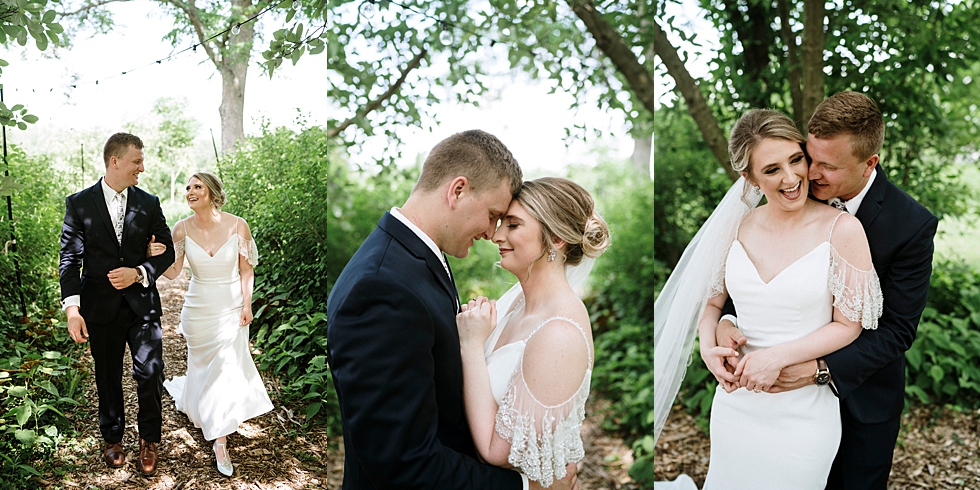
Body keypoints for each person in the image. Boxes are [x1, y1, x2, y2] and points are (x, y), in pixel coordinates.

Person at [326, 130, 577, 489]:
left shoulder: (417, 260)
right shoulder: (381, 288)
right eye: (493, 215)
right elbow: (403, 463)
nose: (493, 233)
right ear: (457, 190)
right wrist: (528, 488)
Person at [715, 92, 938, 489]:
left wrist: (817, 372)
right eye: (808, 156)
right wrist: (727, 320)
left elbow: (897, 329)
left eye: (827, 166)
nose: (808, 173)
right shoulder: (779, 204)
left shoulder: (911, 225)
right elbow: (757, 280)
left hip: (861, 398)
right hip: (760, 396)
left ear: (869, 164)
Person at [653, 109, 884, 489]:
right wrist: (709, 346)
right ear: (749, 178)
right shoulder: (736, 227)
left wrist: (777, 357)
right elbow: (711, 305)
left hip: (804, 412)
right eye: (772, 169)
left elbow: (849, 325)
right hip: (736, 405)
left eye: (796, 160)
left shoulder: (843, 230)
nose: (792, 178)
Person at [455, 177, 609, 487]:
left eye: (513, 225)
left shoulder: (560, 333)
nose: (496, 235)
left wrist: (471, 346)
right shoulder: (517, 303)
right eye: (501, 223)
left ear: (555, 238)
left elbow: (497, 452)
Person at [60, 132, 175, 477]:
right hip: (100, 306)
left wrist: (140, 271)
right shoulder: (79, 204)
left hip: (143, 305)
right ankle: (112, 438)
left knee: (151, 373)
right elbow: (69, 260)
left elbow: (167, 249)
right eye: (137, 161)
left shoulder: (149, 202)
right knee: (107, 375)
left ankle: (149, 440)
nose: (142, 167)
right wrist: (72, 310)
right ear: (115, 161)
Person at [150, 172, 273, 477]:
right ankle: (203, 409)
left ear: (212, 192)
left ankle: (220, 440)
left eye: (197, 186)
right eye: (188, 187)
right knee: (203, 368)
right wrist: (150, 256)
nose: (190, 191)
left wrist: (247, 304)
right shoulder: (181, 229)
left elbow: (247, 271)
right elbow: (174, 273)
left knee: (224, 368)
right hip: (198, 310)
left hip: (231, 307)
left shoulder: (237, 225)